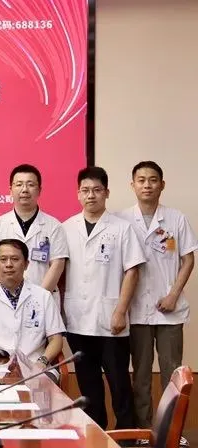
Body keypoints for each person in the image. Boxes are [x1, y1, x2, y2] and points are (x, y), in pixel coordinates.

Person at [62, 166, 146, 429]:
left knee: (119, 382)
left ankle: (126, 435)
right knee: (88, 385)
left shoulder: (122, 228)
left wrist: (120, 311)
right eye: (85, 190)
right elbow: (60, 271)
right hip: (78, 320)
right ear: (78, 194)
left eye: (97, 190)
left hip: (111, 321)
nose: (91, 195)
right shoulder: (66, 228)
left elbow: (132, 271)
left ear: (107, 193)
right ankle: (95, 433)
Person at [118, 161, 198, 430]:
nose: (147, 185)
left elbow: (188, 260)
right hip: (137, 310)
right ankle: (144, 430)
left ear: (162, 185)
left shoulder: (176, 218)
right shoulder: (121, 220)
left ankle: (171, 432)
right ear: (132, 185)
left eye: (153, 180)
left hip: (170, 311)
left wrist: (173, 295)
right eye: (141, 180)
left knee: (172, 376)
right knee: (140, 377)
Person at [0, 239, 65, 377]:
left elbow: (56, 339)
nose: (9, 264)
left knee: (39, 385)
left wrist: (42, 362)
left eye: (15, 259)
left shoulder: (43, 296)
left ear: (26, 264)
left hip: (34, 367)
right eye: (3, 259)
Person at [0, 164, 69, 293]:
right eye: (19, 184)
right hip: (7, 299)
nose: (25, 189)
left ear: (39, 190)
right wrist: (8, 296)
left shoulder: (54, 225)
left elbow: (57, 265)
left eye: (30, 184)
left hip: (44, 297)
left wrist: (40, 298)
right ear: (10, 190)